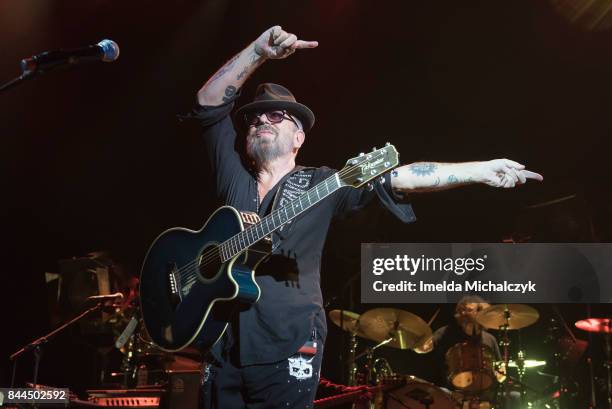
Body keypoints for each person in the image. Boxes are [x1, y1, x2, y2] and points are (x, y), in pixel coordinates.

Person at [184, 26, 542, 409]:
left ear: (299, 137)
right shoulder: (233, 177)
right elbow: (208, 103)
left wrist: (476, 170)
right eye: (254, 120)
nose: (262, 122)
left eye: (277, 116)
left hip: (286, 339)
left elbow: (401, 176)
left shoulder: (320, 182)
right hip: (221, 340)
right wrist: (258, 50)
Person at [415, 296, 515, 408]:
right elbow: (423, 348)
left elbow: (499, 367)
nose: (464, 313)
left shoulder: (490, 339)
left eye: (470, 310)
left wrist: (501, 372)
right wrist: (419, 345)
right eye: (462, 310)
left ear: (482, 312)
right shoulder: (446, 333)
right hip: (451, 396)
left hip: (483, 399)